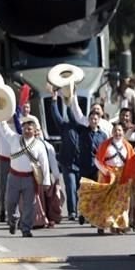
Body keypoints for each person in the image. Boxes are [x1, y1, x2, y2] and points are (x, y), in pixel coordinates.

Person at [0, 116, 51, 237]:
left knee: (29, 204)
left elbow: (44, 163)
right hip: (13, 177)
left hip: (30, 179)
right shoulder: (14, 138)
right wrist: (1, 114)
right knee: (10, 202)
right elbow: (4, 129)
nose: (27, 131)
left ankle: (26, 229)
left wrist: (46, 181)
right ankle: (13, 220)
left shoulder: (39, 145)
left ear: (35, 131)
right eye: (25, 128)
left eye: (30, 129)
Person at [78, 122, 135, 234]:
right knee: (105, 200)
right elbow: (97, 160)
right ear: (112, 132)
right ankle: (101, 224)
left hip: (122, 175)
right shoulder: (105, 145)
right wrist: (105, 171)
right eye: (115, 131)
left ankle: (119, 225)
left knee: (121, 202)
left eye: (120, 131)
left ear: (123, 132)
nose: (117, 133)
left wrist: (131, 175)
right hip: (107, 174)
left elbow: (133, 161)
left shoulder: (127, 146)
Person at [50, 92, 81, 221]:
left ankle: (81, 210)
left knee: (80, 188)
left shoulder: (81, 127)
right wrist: (54, 100)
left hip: (80, 163)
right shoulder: (63, 126)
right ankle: (72, 211)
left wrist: (70, 102)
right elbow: (56, 114)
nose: (70, 116)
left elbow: (73, 114)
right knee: (71, 186)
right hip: (67, 163)